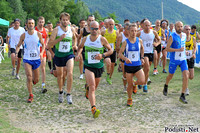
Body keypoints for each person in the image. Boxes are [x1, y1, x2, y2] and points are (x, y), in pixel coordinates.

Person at [75, 21, 113, 118]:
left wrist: (102, 55)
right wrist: (78, 54)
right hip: (88, 66)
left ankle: (87, 89)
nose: (94, 30)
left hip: (99, 67)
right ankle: (93, 108)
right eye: (92, 28)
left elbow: (111, 50)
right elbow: (80, 47)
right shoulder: (85, 39)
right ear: (89, 28)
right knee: (92, 87)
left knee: (94, 87)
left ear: (99, 29)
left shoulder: (102, 39)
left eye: (96, 29)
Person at [47, 12, 77, 104]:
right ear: (60, 21)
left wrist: (74, 45)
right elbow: (49, 44)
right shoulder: (56, 30)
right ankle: (60, 91)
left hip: (69, 54)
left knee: (70, 73)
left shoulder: (71, 29)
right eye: (63, 20)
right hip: (59, 55)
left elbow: (75, 38)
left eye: (66, 20)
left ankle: (68, 94)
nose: (65, 21)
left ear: (69, 21)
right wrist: (59, 39)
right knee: (60, 75)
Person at [15, 18, 45, 103]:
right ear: (26, 25)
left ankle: (32, 83)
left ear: (34, 24)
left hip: (36, 58)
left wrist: (42, 53)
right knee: (29, 77)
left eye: (32, 23)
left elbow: (43, 44)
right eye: (29, 23)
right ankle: (30, 94)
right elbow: (18, 45)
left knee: (36, 80)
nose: (31, 25)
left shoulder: (38, 34)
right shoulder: (24, 35)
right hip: (27, 58)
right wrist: (16, 53)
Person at [119, 24, 145, 107]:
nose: (134, 33)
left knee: (142, 80)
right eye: (132, 31)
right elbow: (120, 54)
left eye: (135, 31)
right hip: (128, 66)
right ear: (128, 31)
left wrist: (142, 58)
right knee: (129, 84)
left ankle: (135, 83)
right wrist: (125, 58)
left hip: (137, 65)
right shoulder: (125, 42)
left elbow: (142, 49)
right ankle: (129, 99)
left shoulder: (139, 40)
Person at [163, 21, 189, 104]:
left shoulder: (184, 35)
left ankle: (182, 95)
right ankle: (166, 85)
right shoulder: (172, 36)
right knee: (170, 76)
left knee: (186, 75)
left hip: (183, 59)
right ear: (175, 27)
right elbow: (167, 49)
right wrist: (178, 50)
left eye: (181, 26)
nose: (180, 28)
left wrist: (186, 51)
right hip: (174, 59)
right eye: (178, 26)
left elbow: (183, 46)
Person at [137, 20, 161, 92]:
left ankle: (141, 80)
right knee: (146, 65)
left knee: (147, 69)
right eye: (146, 25)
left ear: (150, 25)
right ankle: (145, 84)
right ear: (143, 26)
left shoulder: (153, 32)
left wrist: (157, 44)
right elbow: (133, 38)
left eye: (148, 25)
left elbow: (159, 39)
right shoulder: (140, 33)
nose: (147, 27)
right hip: (143, 52)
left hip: (150, 52)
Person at [101, 19, 119, 85]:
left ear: (114, 25)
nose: (111, 26)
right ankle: (108, 74)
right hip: (106, 50)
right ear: (107, 25)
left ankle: (109, 77)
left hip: (113, 50)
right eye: (110, 24)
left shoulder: (116, 32)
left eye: (112, 24)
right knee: (108, 62)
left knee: (112, 65)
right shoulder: (104, 32)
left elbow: (118, 41)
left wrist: (118, 48)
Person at [78, 15, 95, 80]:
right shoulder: (83, 29)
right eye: (89, 20)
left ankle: (91, 73)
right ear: (87, 21)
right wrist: (78, 45)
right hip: (84, 47)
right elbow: (79, 38)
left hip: (92, 48)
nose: (91, 22)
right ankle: (81, 74)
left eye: (92, 20)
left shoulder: (96, 29)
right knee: (81, 60)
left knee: (89, 62)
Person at [35, 16, 48, 93]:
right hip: (35, 51)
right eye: (40, 22)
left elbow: (47, 37)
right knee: (35, 69)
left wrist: (46, 44)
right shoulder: (34, 30)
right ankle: (34, 79)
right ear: (37, 22)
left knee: (43, 68)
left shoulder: (45, 30)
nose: (41, 23)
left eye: (42, 22)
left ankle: (43, 85)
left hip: (42, 51)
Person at [116, 22, 130, 92]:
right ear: (124, 29)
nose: (129, 31)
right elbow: (117, 47)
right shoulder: (120, 36)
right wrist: (121, 53)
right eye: (127, 29)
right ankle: (125, 86)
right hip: (123, 56)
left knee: (132, 72)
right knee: (124, 73)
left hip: (131, 56)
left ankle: (131, 85)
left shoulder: (132, 35)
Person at [184, 25, 196, 95]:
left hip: (191, 57)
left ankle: (185, 79)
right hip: (183, 58)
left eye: (189, 29)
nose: (188, 31)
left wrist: (194, 53)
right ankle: (186, 89)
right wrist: (184, 51)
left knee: (191, 76)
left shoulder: (193, 38)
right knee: (186, 75)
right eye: (186, 30)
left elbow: (195, 47)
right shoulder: (182, 38)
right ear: (184, 31)